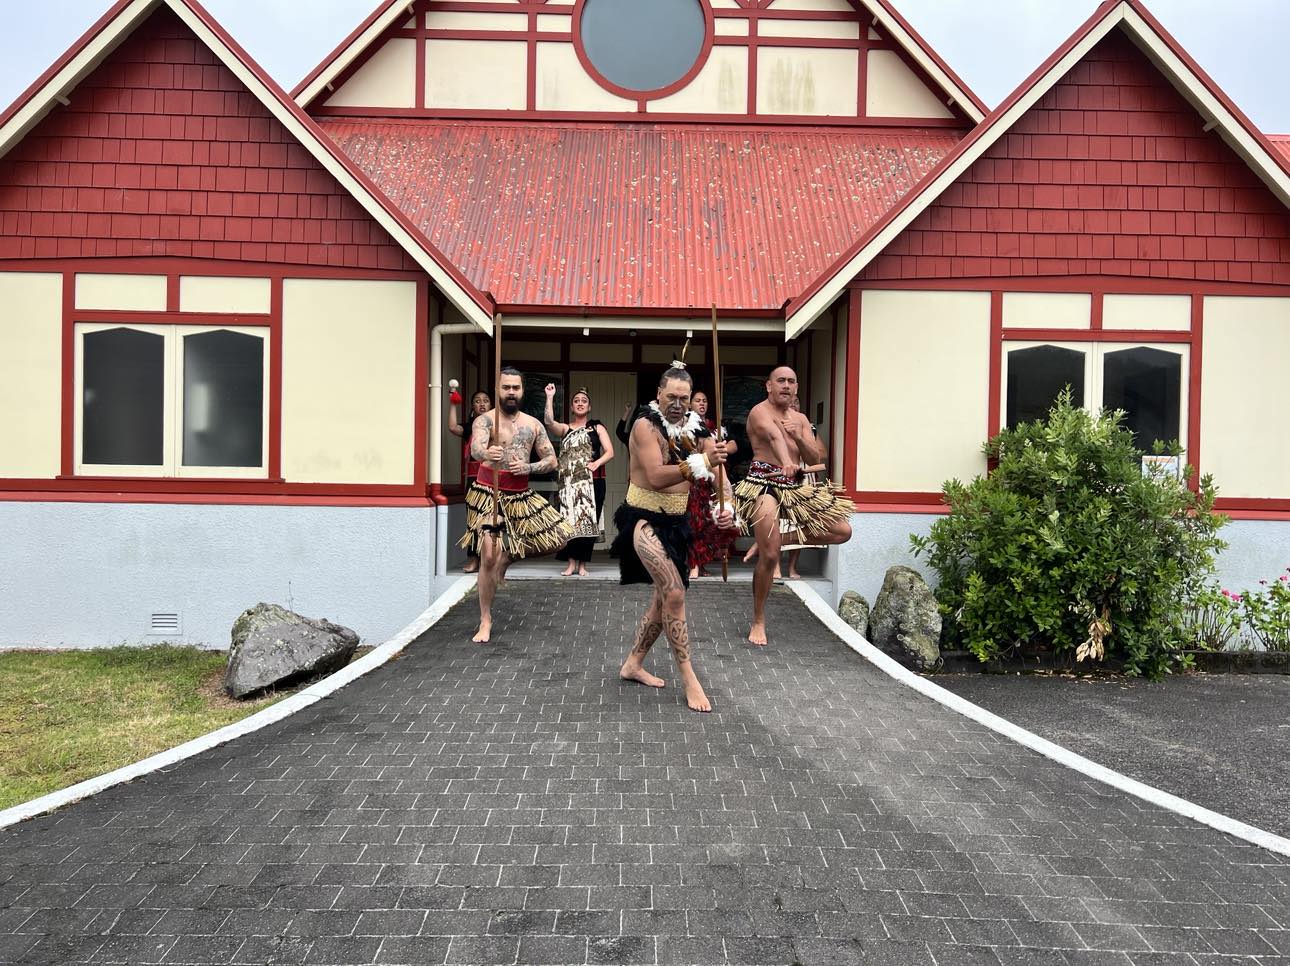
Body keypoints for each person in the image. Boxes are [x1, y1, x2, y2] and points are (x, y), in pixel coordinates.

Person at [614, 367, 737, 713]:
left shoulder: (698, 428)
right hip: (642, 518)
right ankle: (688, 678)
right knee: (674, 593)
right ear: (658, 394)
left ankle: (633, 664)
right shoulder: (644, 425)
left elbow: (719, 476)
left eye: (684, 398)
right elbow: (655, 477)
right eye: (672, 397)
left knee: (661, 600)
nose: (678, 405)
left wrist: (724, 507)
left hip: (678, 522)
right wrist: (702, 460)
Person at [737, 367, 854, 647]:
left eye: (791, 382)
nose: (786, 386)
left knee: (842, 530)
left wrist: (800, 436)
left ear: (797, 387)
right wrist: (785, 460)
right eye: (781, 381)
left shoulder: (801, 418)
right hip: (763, 483)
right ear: (768, 386)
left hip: (795, 484)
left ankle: (774, 541)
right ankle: (759, 619)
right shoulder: (759, 411)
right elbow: (774, 437)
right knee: (769, 557)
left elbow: (814, 455)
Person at [462, 367, 571, 643]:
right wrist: (488, 452)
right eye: (506, 387)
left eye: (516, 388)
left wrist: (529, 466)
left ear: (522, 391)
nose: (511, 392)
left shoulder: (533, 424)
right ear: (498, 389)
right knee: (488, 554)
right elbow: (476, 449)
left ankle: (509, 558)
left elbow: (552, 460)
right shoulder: (485, 421)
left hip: (520, 493)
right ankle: (485, 619)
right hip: (490, 492)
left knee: (560, 539)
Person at [544, 384, 615, 576]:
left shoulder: (596, 427)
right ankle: (571, 563)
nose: (580, 403)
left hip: (594, 482)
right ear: (572, 407)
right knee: (570, 522)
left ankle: (583, 564)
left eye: (584, 401)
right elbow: (549, 422)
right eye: (576, 401)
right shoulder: (566, 428)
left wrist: (597, 463)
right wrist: (550, 397)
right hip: (569, 485)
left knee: (588, 523)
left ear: (589, 407)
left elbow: (610, 452)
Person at [687, 389, 738, 579]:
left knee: (705, 522)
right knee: (692, 521)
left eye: (705, 400)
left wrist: (720, 448)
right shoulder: (685, 424)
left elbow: (734, 444)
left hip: (710, 478)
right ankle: (692, 564)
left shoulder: (714, 427)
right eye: (697, 400)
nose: (702, 403)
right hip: (689, 476)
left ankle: (700, 563)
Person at [448, 387, 492, 573]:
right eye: (477, 401)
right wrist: (453, 403)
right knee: (473, 520)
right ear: (473, 407)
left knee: (491, 520)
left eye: (485, 400)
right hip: (474, 480)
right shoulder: (470, 427)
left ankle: (489, 559)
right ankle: (474, 558)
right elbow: (452, 427)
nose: (482, 403)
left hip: (492, 479)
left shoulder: (497, 425)